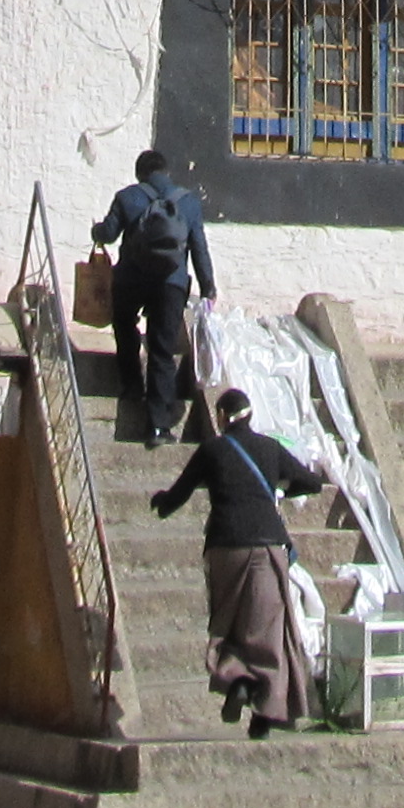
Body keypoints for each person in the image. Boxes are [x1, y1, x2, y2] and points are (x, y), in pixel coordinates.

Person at [152, 384, 327, 739]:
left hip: (224, 548)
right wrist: (280, 488)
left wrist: (161, 502)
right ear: (250, 415)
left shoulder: (212, 449)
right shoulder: (270, 448)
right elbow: (312, 482)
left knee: (227, 623)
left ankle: (239, 680)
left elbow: (178, 494)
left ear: (221, 417)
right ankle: (266, 712)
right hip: (267, 547)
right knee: (268, 630)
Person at [92, 148, 213, 443]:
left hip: (131, 279)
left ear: (140, 174)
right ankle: (158, 426)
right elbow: (199, 247)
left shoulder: (127, 197)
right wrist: (208, 286)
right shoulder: (189, 202)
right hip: (171, 283)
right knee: (162, 350)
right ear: (166, 171)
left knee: (124, 324)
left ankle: (132, 386)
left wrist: (96, 231)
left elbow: (108, 233)